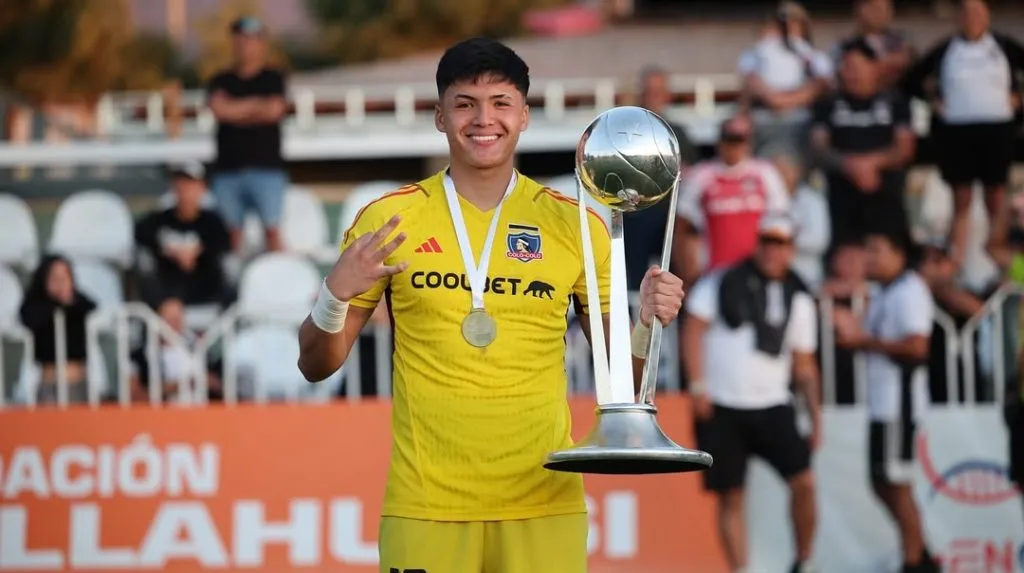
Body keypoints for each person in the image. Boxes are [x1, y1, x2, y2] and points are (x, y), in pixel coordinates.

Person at [296, 38, 687, 573]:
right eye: (465, 104)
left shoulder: (575, 225)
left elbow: (622, 382)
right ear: (439, 117)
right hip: (426, 506)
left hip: (544, 503)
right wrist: (333, 293)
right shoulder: (388, 219)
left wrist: (645, 322)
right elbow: (316, 366)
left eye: (501, 103)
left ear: (524, 116)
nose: (484, 119)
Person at [683, 214, 820, 573]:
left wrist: (817, 416)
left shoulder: (800, 298)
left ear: (791, 250)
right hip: (724, 403)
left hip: (773, 403)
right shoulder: (723, 280)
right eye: (767, 242)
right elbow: (694, 329)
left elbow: (804, 364)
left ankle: (802, 560)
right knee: (731, 495)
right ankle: (739, 569)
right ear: (758, 243)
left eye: (781, 244)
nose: (773, 252)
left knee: (804, 482)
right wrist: (697, 386)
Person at [833, 232, 939, 573]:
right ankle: (920, 553)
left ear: (899, 253)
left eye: (877, 251)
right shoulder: (886, 292)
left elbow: (917, 346)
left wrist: (865, 340)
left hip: (899, 405)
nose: (870, 258)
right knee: (882, 482)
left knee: (896, 483)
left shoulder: (910, 291)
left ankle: (914, 561)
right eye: (867, 250)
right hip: (884, 404)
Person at [903, 0, 1024, 267]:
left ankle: (1000, 255)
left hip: (996, 130)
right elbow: (911, 79)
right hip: (957, 132)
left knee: (996, 195)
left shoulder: (1002, 46)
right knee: (962, 197)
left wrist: (1018, 98)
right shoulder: (947, 49)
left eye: (978, 12)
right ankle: (955, 259)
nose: (972, 18)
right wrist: (933, 99)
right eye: (966, 13)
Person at [810, 37, 916, 261]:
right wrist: (849, 165)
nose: (850, 74)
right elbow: (819, 147)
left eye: (856, 67)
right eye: (846, 67)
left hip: (886, 198)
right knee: (847, 260)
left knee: (890, 257)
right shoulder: (827, 104)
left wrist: (872, 164)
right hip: (843, 202)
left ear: (874, 67)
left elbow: (905, 147)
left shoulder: (895, 102)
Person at [674, 114, 791, 284]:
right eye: (730, 139)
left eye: (740, 140)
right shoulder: (702, 175)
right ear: (719, 141)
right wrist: (688, 273)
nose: (734, 147)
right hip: (712, 273)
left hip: (756, 273)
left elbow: (780, 225)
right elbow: (683, 226)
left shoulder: (765, 173)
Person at [206, 16, 289, 253]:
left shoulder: (273, 78)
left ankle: (277, 280)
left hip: (267, 169)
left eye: (251, 40)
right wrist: (256, 107)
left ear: (262, 44)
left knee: (272, 231)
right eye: (240, 40)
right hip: (227, 171)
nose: (245, 45)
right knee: (230, 235)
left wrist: (236, 108)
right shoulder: (220, 80)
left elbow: (274, 111)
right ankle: (230, 286)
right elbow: (220, 110)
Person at [624, 65, 698, 291]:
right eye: (649, 91)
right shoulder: (626, 131)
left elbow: (690, 174)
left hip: (671, 218)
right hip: (635, 217)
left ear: (667, 95)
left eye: (659, 91)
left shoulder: (679, 133)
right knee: (632, 283)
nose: (654, 97)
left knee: (677, 277)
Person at [737, 1, 833, 159]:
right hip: (764, 123)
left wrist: (786, 100)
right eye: (782, 24)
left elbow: (822, 85)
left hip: (803, 124)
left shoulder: (815, 57)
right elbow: (752, 86)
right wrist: (777, 100)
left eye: (794, 23)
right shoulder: (755, 55)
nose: (787, 29)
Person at [135, 162, 232, 309]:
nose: (186, 190)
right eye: (181, 184)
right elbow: (141, 238)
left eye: (191, 184)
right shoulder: (158, 219)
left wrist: (197, 252)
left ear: (203, 187)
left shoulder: (213, 222)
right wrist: (171, 251)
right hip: (165, 289)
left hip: (203, 288)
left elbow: (222, 249)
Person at [18, 255, 97, 405]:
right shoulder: (36, 306)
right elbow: (29, 318)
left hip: (77, 382)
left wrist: (68, 301)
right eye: (55, 277)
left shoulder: (79, 304)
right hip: (49, 383)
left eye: (64, 276)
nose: (60, 282)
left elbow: (92, 308)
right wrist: (55, 303)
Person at [832, 0, 915, 90]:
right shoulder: (845, 46)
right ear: (858, 10)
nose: (881, 12)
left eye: (885, 7)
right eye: (873, 7)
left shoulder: (902, 41)